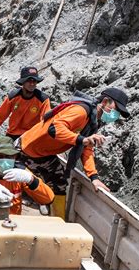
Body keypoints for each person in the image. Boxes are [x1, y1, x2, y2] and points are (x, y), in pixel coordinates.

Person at [17, 87, 130, 220]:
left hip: (44, 153)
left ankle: (57, 222)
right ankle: (32, 202)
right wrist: (82, 139)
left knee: (60, 184)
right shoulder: (81, 111)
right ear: (105, 101)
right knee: (26, 183)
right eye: (116, 110)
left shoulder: (93, 121)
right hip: (28, 149)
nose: (115, 115)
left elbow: (86, 149)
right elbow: (54, 129)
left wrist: (94, 177)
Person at [0, 136, 54, 215]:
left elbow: (48, 199)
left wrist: (31, 180)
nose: (5, 160)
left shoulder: (21, 173)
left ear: (15, 158)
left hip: (12, 222)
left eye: (9, 157)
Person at [0, 67, 51, 142]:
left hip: (31, 135)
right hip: (12, 135)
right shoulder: (13, 97)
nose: (32, 83)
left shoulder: (43, 99)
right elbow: (0, 116)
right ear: (23, 82)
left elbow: (46, 121)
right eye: (29, 80)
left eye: (34, 81)